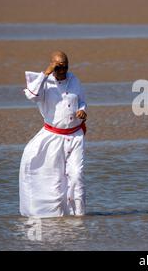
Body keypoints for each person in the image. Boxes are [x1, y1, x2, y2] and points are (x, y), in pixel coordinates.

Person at [19, 51, 88, 217]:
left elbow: (82, 100)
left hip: (76, 135)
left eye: (65, 66)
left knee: (77, 175)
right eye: (59, 67)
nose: (62, 70)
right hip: (53, 137)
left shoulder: (74, 80)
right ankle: (56, 215)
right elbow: (31, 95)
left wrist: (82, 111)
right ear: (52, 65)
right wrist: (47, 72)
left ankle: (79, 216)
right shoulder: (44, 83)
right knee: (55, 180)